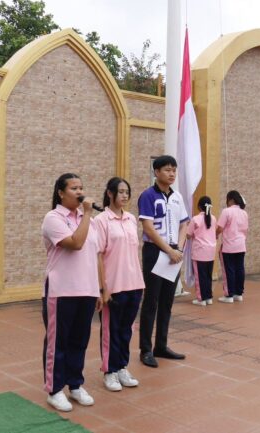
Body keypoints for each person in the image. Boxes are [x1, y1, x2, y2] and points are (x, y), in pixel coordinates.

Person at [41, 173, 102, 412]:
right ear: (60, 193)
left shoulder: (89, 221)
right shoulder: (53, 218)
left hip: (87, 289)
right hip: (61, 290)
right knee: (58, 342)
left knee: (79, 340)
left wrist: (98, 289)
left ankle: (75, 384)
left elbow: (94, 255)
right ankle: (55, 389)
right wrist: (86, 214)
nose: (80, 192)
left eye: (81, 188)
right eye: (74, 188)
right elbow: (76, 243)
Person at [138, 155, 189, 368]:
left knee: (167, 301)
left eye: (174, 170)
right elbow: (148, 228)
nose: (171, 173)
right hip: (155, 251)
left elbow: (184, 224)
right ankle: (146, 349)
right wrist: (169, 250)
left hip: (174, 252)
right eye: (167, 170)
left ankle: (161, 345)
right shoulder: (147, 196)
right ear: (156, 172)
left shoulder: (177, 197)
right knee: (151, 301)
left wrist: (179, 248)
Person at [95, 177, 145, 392]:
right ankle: (110, 371)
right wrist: (103, 288)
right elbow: (97, 255)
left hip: (134, 283)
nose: (125, 196)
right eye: (121, 191)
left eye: (127, 192)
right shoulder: (101, 220)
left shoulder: (131, 219)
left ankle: (122, 366)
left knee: (126, 330)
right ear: (110, 193)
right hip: (113, 286)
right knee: (111, 330)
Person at [217, 190, 248, 303]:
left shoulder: (226, 211)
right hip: (241, 245)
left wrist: (215, 234)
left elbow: (220, 228)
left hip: (229, 246)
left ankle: (229, 295)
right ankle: (238, 294)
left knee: (228, 270)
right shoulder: (244, 213)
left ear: (230, 199)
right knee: (240, 269)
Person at [186, 196, 217, 307]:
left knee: (200, 277)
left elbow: (188, 235)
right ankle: (208, 297)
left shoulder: (195, 219)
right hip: (211, 251)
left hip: (199, 252)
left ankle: (201, 299)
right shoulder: (213, 218)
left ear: (199, 207)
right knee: (208, 276)